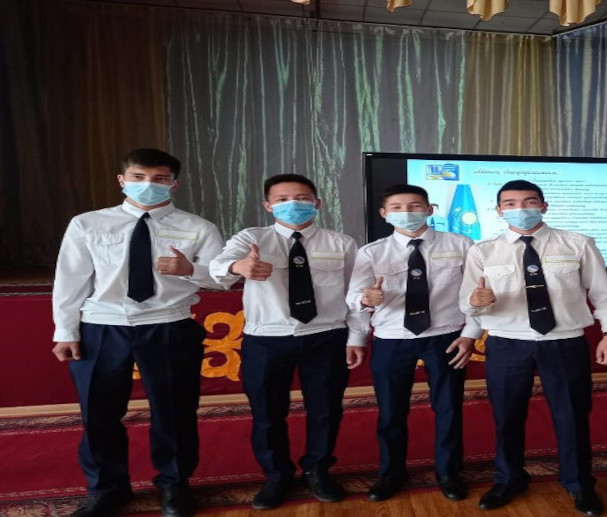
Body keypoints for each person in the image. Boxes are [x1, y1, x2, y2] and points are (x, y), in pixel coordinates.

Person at [52, 148, 225, 517]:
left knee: (175, 410)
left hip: (168, 325)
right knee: (98, 412)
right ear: (122, 180)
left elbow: (221, 278)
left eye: (160, 178)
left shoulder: (199, 227)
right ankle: (107, 488)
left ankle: (174, 484)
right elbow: (70, 280)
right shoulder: (88, 224)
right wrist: (65, 330)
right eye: (138, 177)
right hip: (102, 325)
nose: (148, 185)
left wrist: (189, 270)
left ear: (174, 184)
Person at [458, 180, 607, 516]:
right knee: (507, 415)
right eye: (511, 203)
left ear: (544, 206)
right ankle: (509, 479)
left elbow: (602, 293)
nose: (521, 208)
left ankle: (578, 483)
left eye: (530, 201)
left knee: (572, 415)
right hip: (506, 342)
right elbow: (468, 302)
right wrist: (476, 301)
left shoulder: (577, 243)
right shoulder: (483, 251)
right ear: (499, 210)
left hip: (564, 341)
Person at [209, 174, 369, 511]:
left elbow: (355, 294)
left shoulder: (341, 243)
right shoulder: (252, 238)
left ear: (317, 203)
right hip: (266, 338)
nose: (292, 204)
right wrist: (240, 266)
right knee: (267, 413)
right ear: (268, 205)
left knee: (325, 410)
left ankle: (317, 469)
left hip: (326, 336)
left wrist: (356, 336)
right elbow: (219, 267)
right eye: (281, 199)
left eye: (302, 197)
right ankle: (276, 475)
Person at [346, 184, 478, 502]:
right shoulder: (371, 252)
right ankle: (391, 473)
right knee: (391, 410)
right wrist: (365, 301)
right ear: (384, 214)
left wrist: (471, 333)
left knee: (448, 408)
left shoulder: (461, 244)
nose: (407, 212)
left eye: (415, 206)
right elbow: (353, 296)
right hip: (392, 339)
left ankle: (448, 472)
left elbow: (475, 291)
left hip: (445, 336)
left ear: (429, 210)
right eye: (397, 207)